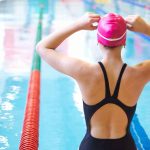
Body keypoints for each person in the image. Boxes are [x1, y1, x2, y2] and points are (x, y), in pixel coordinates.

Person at [36, 13, 150, 150]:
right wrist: (146, 29)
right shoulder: (140, 73)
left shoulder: (84, 71)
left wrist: (77, 25)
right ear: (124, 42)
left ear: (98, 41)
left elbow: (42, 47)